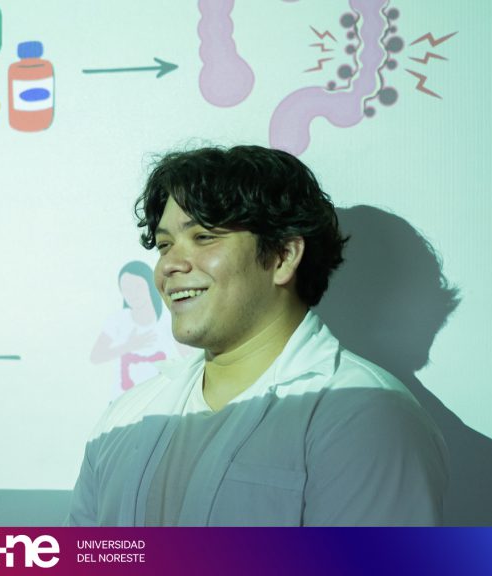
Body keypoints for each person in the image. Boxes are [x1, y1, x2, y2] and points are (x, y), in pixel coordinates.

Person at [68, 145, 449, 526]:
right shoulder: (126, 416)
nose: (170, 265)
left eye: (204, 237)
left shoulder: (363, 415)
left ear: (283, 256)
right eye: (165, 245)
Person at [89, 261, 183, 398]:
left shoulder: (168, 319)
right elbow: (96, 356)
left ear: (149, 285)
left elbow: (190, 357)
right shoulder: (118, 320)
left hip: (161, 401)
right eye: (126, 289)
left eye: (138, 286)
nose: (133, 294)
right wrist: (129, 346)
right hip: (122, 402)